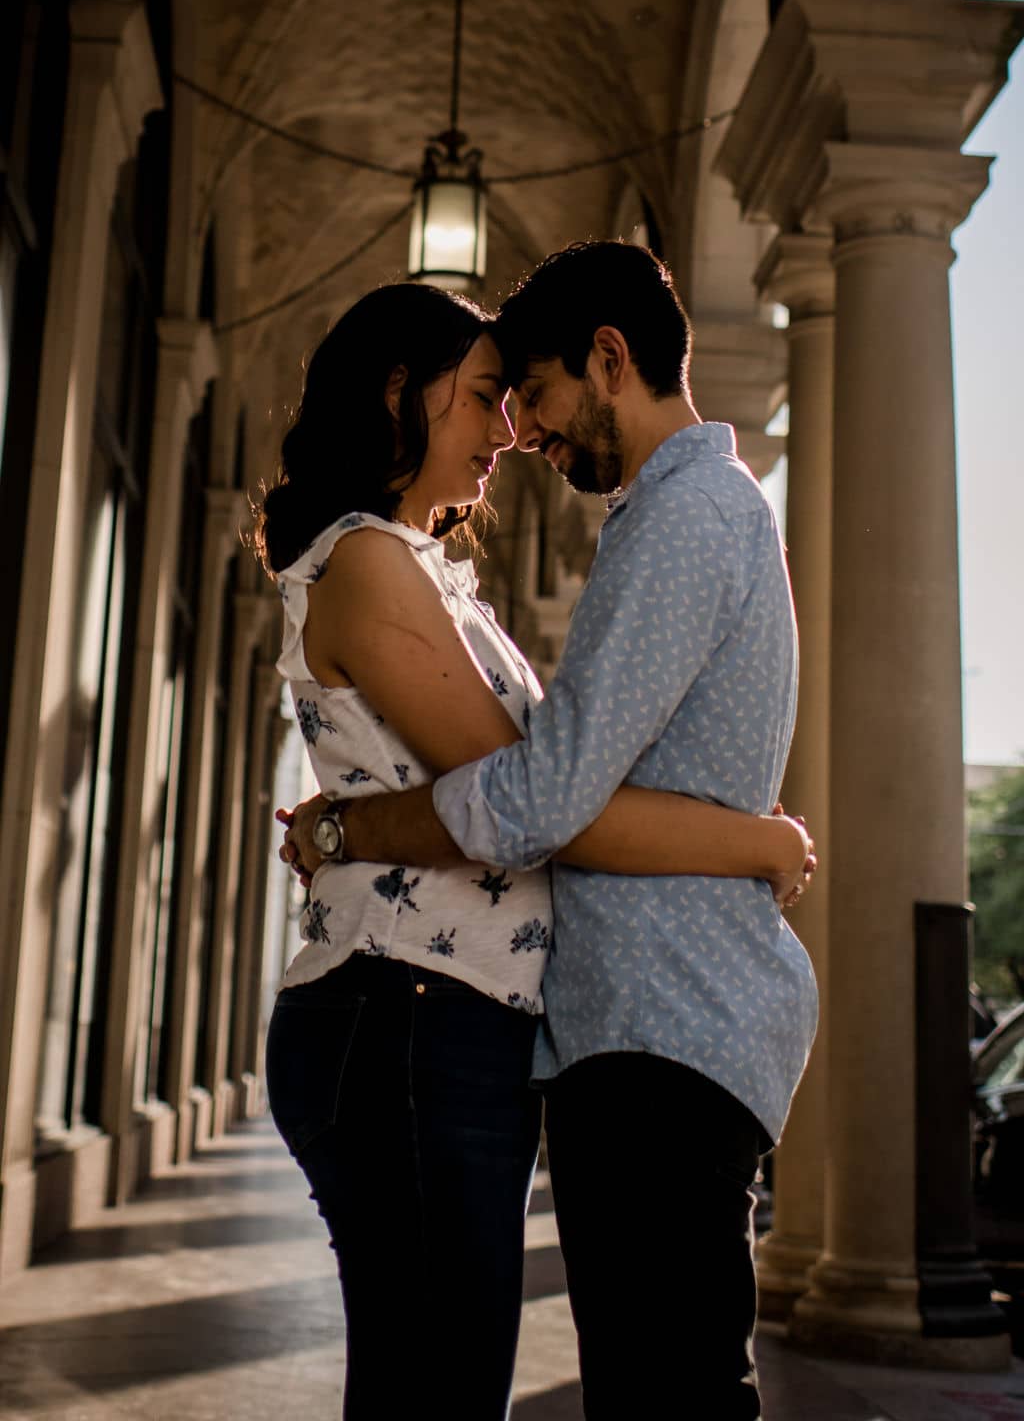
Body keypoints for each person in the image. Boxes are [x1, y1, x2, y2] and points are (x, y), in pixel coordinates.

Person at [259, 276, 814, 1421]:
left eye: (521, 396)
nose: (509, 433)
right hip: (406, 1013)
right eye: (482, 397)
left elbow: (532, 797)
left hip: (449, 1018)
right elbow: (536, 805)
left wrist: (342, 825)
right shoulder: (369, 561)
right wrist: (751, 842)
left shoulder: (430, 569)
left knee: (450, 1383)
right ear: (400, 395)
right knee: (443, 1388)